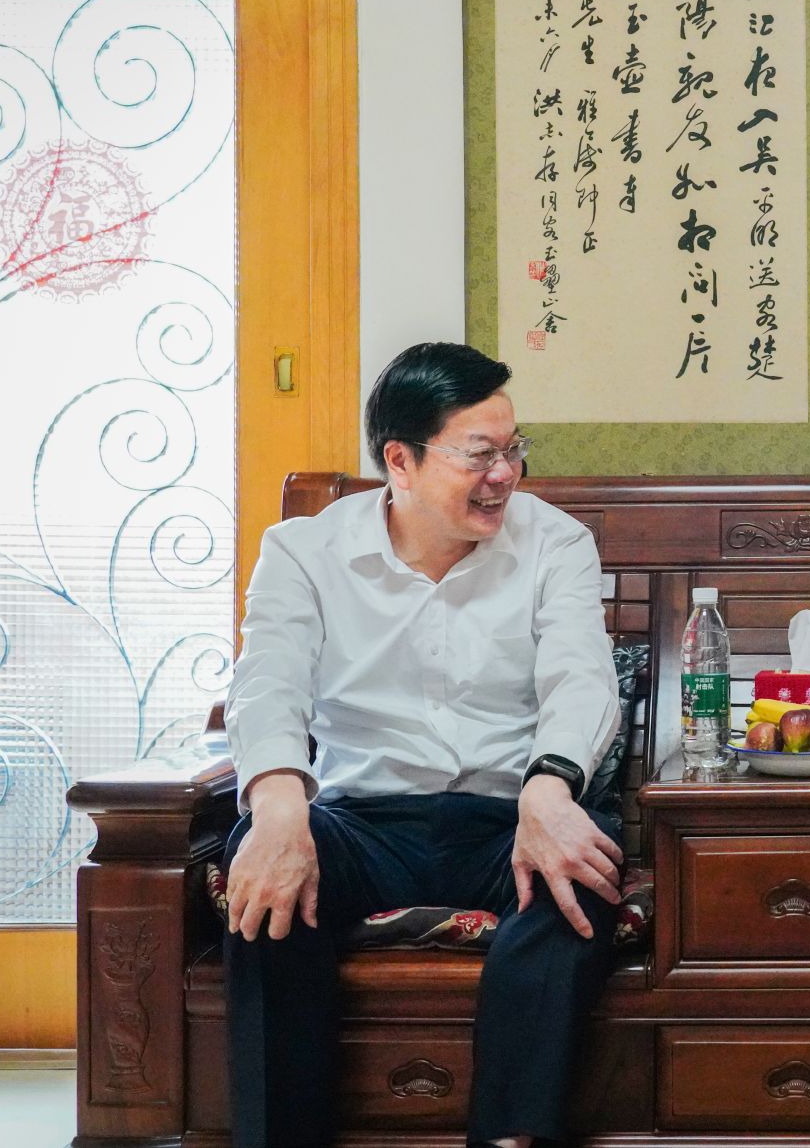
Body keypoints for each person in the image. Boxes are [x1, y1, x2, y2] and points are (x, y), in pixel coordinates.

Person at [220, 341, 624, 1148]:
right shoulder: (303, 552)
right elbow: (267, 685)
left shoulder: (557, 543)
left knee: (582, 873)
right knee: (260, 866)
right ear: (400, 460)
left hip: (507, 820)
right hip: (361, 825)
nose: (505, 475)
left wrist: (550, 787)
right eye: (479, 455)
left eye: (513, 450)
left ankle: (509, 1137)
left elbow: (581, 680)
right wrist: (277, 809)